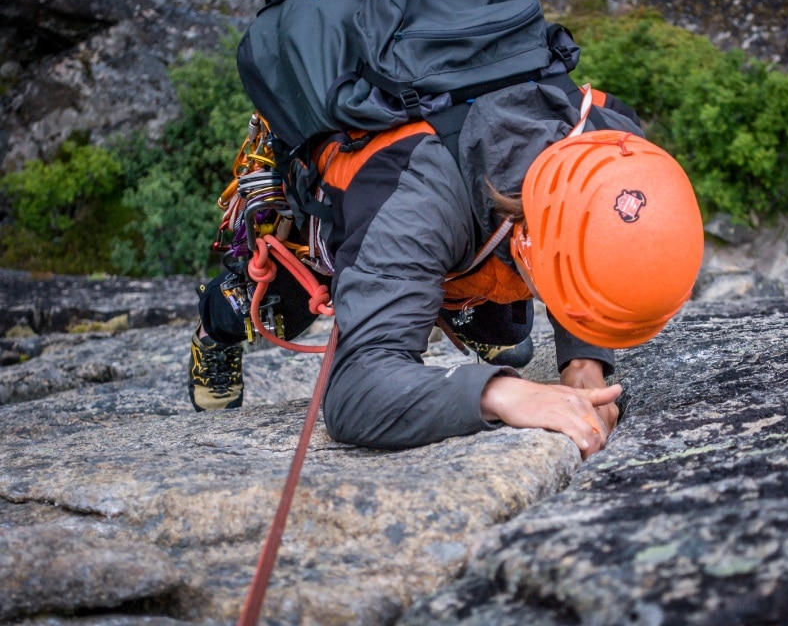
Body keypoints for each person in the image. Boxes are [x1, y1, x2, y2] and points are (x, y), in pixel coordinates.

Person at [189, 80, 704, 459]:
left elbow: (588, 231)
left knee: (510, 338)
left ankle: (438, 298)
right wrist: (498, 393)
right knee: (267, 309)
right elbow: (355, 396)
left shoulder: (616, 149)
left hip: (455, 231)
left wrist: (584, 362)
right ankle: (214, 335)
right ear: (525, 238)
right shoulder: (417, 205)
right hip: (361, 215)